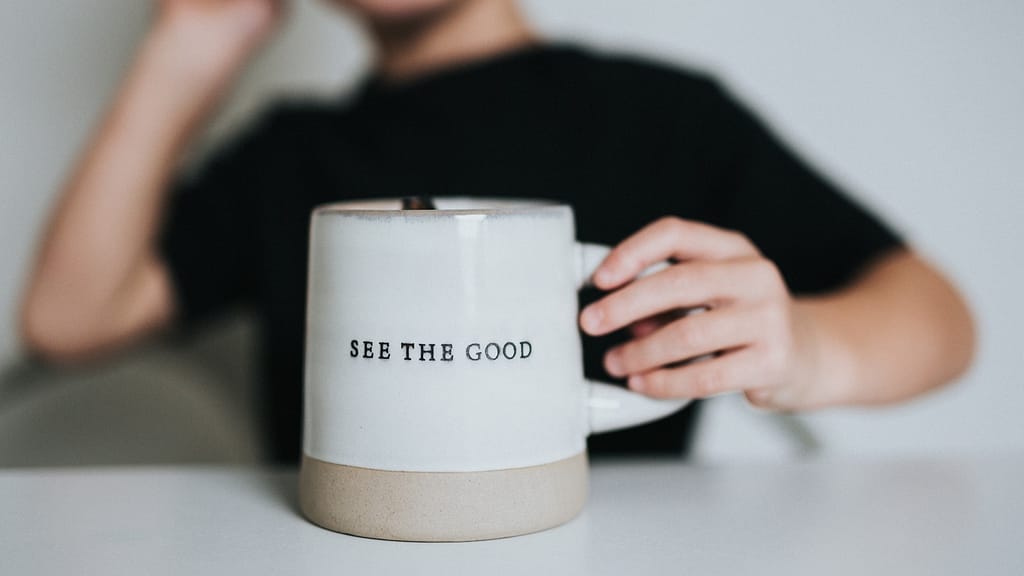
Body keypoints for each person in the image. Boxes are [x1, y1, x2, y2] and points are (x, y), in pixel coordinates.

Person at [20, 0, 975, 463]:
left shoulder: (663, 116)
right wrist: (188, 44)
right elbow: (70, 320)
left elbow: (937, 318)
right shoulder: (290, 157)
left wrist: (805, 348)